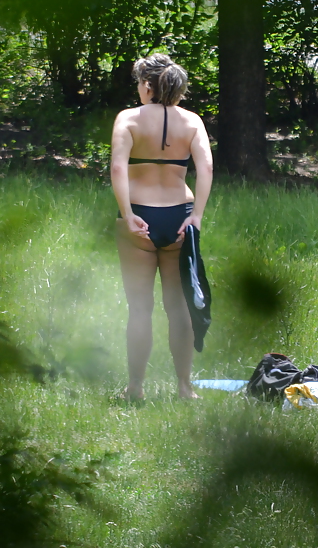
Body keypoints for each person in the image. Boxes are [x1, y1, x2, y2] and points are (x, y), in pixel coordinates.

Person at [110, 53, 213, 400]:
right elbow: (207, 169)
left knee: (140, 308)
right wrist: (195, 217)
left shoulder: (128, 118)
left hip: (139, 215)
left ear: (147, 85)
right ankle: (185, 388)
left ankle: (135, 388)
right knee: (178, 306)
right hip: (179, 215)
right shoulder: (193, 121)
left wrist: (127, 214)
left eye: (140, 83)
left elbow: (118, 169)